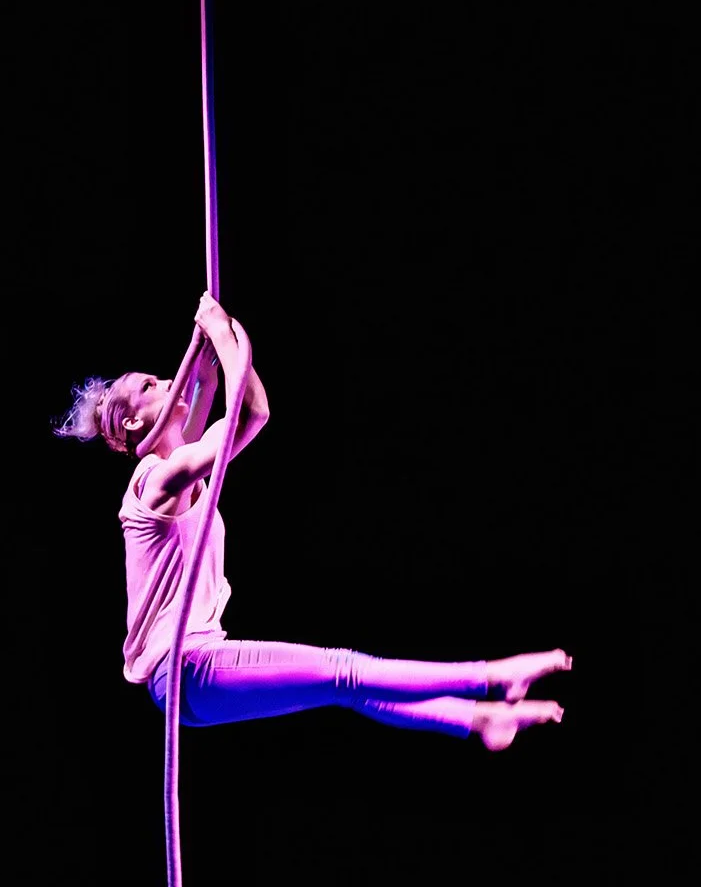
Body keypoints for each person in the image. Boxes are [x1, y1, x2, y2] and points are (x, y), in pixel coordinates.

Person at [54, 291, 572, 750]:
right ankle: (491, 676)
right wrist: (223, 338)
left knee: (341, 687)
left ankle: (478, 719)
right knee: (343, 669)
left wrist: (216, 361)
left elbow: (226, 413)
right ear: (132, 421)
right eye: (151, 385)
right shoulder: (157, 479)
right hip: (186, 669)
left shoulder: (178, 468)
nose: (168, 381)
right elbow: (247, 416)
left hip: (188, 678)